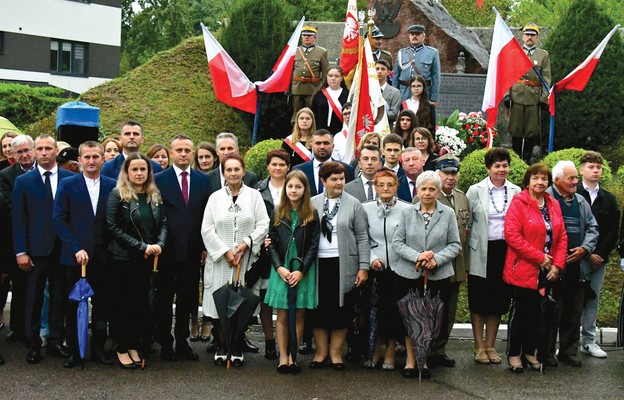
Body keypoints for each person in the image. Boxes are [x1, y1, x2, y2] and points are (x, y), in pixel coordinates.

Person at [201, 154, 270, 367]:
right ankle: (222, 344)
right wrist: (224, 251)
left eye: (236, 169)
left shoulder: (254, 196)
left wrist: (247, 243)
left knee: (242, 302)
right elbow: (207, 229)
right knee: (219, 303)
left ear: (243, 171)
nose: (233, 173)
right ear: (223, 172)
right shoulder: (214, 198)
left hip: (245, 259)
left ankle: (237, 344)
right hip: (221, 261)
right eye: (228, 170)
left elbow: (263, 223)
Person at [53, 141, 117, 368]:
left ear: (103, 159)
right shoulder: (68, 185)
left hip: (103, 258)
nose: (91, 161)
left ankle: (98, 349)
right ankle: (74, 350)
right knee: (72, 307)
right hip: (74, 257)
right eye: (87, 157)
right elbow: (59, 220)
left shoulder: (113, 185)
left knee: (102, 306)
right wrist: (75, 248)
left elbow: (116, 221)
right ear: (79, 160)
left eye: (96, 157)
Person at [392, 170, 461, 379]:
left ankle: (424, 360)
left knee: (431, 319)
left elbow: (455, 244)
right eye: (424, 189)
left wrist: (436, 259)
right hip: (409, 274)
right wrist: (419, 256)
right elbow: (397, 242)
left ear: (439, 191)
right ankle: (411, 361)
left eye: (432, 189)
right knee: (410, 318)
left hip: (437, 275)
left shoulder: (447, 214)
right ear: (418, 191)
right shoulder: (407, 212)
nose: (428, 193)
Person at [13, 134, 75, 364]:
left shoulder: (70, 178)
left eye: (49, 148)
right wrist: (21, 251)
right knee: (34, 298)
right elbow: (18, 219)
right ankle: (33, 343)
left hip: (62, 250)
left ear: (56, 151)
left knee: (59, 297)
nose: (45, 152)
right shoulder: (24, 182)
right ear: (35, 151)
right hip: (35, 250)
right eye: (40, 148)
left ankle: (55, 341)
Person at [503, 163, 567, 373]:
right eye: (535, 178)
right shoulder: (519, 202)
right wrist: (540, 258)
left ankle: (529, 352)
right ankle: (513, 354)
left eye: (544, 179)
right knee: (521, 312)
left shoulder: (553, 203)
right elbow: (512, 235)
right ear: (528, 181)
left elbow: (562, 236)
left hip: (548, 270)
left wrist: (557, 264)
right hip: (524, 267)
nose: (540, 182)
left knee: (538, 315)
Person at [106, 152, 167, 369]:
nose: (139, 173)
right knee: (123, 306)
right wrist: (142, 246)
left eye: (143, 169)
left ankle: (132, 344)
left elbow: (164, 223)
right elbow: (112, 227)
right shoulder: (118, 194)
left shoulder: (154, 194)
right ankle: (122, 348)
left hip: (146, 260)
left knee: (139, 306)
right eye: (135, 169)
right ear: (127, 172)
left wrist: (159, 244)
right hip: (123, 259)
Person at [154, 135, 212, 362]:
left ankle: (182, 343)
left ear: (193, 152)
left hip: (192, 251)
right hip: (167, 251)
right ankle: (165, 343)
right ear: (171, 152)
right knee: (165, 301)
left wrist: (204, 247)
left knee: (187, 301)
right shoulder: (159, 179)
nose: (183, 154)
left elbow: (207, 216)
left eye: (188, 150)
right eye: (179, 150)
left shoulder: (203, 181)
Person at [308, 162, 369, 371]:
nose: (339, 182)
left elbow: (362, 237)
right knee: (318, 310)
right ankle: (320, 353)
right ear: (323, 181)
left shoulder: (354, 204)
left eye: (342, 178)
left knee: (340, 311)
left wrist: (363, 267)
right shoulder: (313, 203)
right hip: (317, 266)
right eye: (334, 179)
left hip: (344, 265)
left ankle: (336, 354)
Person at [465, 148, 521, 366]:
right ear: (488, 168)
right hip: (480, 251)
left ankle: (490, 345)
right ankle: (478, 346)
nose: (501, 169)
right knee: (479, 299)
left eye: (504, 165)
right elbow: (467, 223)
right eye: (496, 165)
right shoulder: (475, 190)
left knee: (499, 300)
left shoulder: (516, 190)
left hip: (505, 251)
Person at [266, 170, 320, 374]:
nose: (294, 190)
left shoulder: (312, 214)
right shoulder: (278, 212)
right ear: (285, 188)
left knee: (298, 314)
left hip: (302, 269)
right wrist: (279, 267)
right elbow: (270, 243)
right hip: (281, 268)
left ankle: (293, 355)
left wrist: (301, 271)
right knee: (281, 314)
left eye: (298, 187)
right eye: (290, 186)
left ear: (305, 190)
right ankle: (282, 356)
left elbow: (314, 246)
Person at [545, 160, 598, 367]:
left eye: (576, 177)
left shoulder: (581, 201)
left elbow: (593, 227)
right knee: (551, 310)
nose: (576, 181)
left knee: (573, 310)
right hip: (552, 264)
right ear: (557, 180)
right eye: (571, 178)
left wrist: (585, 248)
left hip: (577, 265)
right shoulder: (546, 198)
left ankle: (568, 351)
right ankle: (547, 351)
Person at [362, 169, 411, 370]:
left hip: (399, 268)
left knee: (394, 313)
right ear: (375, 187)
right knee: (375, 313)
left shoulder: (407, 209)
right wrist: (372, 259)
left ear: (396, 186)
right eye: (380, 185)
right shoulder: (365, 208)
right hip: (376, 268)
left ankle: (390, 352)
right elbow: (363, 238)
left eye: (390, 185)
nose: (385, 188)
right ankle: (375, 352)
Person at [428, 154, 471, 369]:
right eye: (446, 173)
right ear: (438, 174)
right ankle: (425, 349)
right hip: (433, 265)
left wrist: (467, 267)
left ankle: (440, 350)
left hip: (456, 265)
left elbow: (467, 234)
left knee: (449, 311)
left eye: (454, 173)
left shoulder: (462, 198)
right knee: (432, 310)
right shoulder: (428, 196)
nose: (450, 177)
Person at [577, 151, 619, 359]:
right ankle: (567, 342)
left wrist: (598, 254)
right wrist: (583, 252)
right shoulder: (573, 194)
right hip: (575, 256)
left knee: (592, 298)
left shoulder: (608, 199)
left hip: (598, 260)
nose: (595, 171)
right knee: (571, 299)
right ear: (581, 169)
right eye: (591, 167)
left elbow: (613, 231)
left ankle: (589, 340)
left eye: (598, 167)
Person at [253, 149, 291, 360]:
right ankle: (269, 341)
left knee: (288, 296)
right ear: (268, 166)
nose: (277, 168)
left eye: (282, 165)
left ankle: (290, 340)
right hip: (265, 249)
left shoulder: (295, 186)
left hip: (290, 248)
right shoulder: (258, 189)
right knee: (266, 297)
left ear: (288, 167)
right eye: (274, 164)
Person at [0, 135, 36, 344]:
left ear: (33, 150)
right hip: (16, 239)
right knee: (20, 286)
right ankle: (18, 328)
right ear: (13, 154)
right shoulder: (5, 175)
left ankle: (36, 328)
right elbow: (9, 206)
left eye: (26, 150)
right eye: (19, 152)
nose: (23, 155)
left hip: (43, 237)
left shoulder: (44, 173)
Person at [504, 23, 551, 163]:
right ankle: (517, 159)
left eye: (533, 35)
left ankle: (527, 160)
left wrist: (544, 98)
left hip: (533, 98)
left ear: (537, 37)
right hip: (516, 95)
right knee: (515, 129)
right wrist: (506, 95)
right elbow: (507, 76)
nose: (529, 37)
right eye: (527, 34)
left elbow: (546, 78)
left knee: (531, 131)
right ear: (522, 36)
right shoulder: (514, 53)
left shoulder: (543, 55)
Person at [292, 129, 354, 197]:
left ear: (333, 146)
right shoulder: (298, 170)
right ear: (312, 146)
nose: (322, 147)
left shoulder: (347, 170)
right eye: (318, 143)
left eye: (326, 143)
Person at [392, 24, 441, 104]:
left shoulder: (432, 53)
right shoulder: (402, 53)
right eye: (412, 34)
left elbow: (436, 77)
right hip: (404, 93)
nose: (414, 36)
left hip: (423, 93)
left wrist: (433, 98)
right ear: (409, 36)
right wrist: (394, 96)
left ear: (423, 36)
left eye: (417, 34)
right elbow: (396, 76)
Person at [291, 25, 329, 123]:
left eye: (309, 35)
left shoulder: (321, 52)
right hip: (297, 88)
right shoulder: (294, 51)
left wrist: (321, 88)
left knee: (311, 114)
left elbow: (325, 73)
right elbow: (289, 71)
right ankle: (295, 135)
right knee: (296, 114)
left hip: (313, 89)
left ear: (315, 37)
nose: (306, 37)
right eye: (304, 35)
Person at [311, 66, 348, 134]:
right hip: (321, 132)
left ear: (342, 78)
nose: (333, 78)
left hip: (341, 132)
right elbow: (313, 115)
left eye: (336, 76)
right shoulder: (319, 95)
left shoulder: (347, 94)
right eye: (330, 76)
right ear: (326, 77)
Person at [376, 60, 400, 128]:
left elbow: (394, 114)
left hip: (387, 129)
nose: (379, 71)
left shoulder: (395, 92)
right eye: (377, 69)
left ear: (388, 72)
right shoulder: (368, 91)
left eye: (383, 69)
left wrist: (376, 114)